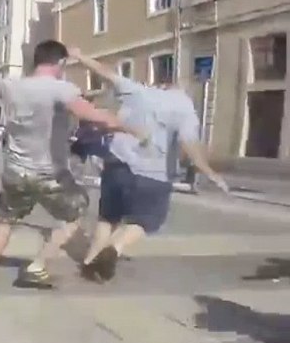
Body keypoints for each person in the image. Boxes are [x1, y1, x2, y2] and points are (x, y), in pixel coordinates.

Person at [0, 40, 139, 289]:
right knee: (75, 213)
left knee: (4, 222)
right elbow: (92, 115)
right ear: (60, 63)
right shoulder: (62, 89)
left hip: (15, 171)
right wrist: (130, 128)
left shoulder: (10, 85)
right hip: (50, 174)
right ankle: (36, 266)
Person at [69, 48, 228, 283]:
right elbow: (190, 144)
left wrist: (81, 56)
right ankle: (114, 248)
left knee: (107, 217)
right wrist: (209, 171)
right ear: (182, 90)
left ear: (162, 85)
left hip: (117, 165)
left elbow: (106, 73)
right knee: (145, 220)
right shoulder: (184, 108)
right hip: (154, 173)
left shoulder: (138, 92)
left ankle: (89, 264)